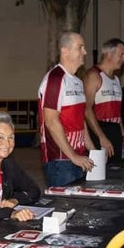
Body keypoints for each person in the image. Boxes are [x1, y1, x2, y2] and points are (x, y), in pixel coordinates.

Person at [38, 32, 95, 187]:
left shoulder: (77, 81)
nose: (85, 52)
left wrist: (91, 148)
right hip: (61, 160)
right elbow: (50, 121)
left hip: (78, 157)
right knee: (65, 208)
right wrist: (73, 156)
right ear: (65, 51)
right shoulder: (55, 79)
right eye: (80, 47)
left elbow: (80, 119)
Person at [83, 38, 124, 161]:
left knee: (115, 172)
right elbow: (86, 110)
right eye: (121, 55)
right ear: (108, 54)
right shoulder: (93, 76)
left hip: (114, 131)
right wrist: (101, 137)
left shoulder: (116, 79)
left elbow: (117, 115)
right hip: (98, 131)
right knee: (99, 174)